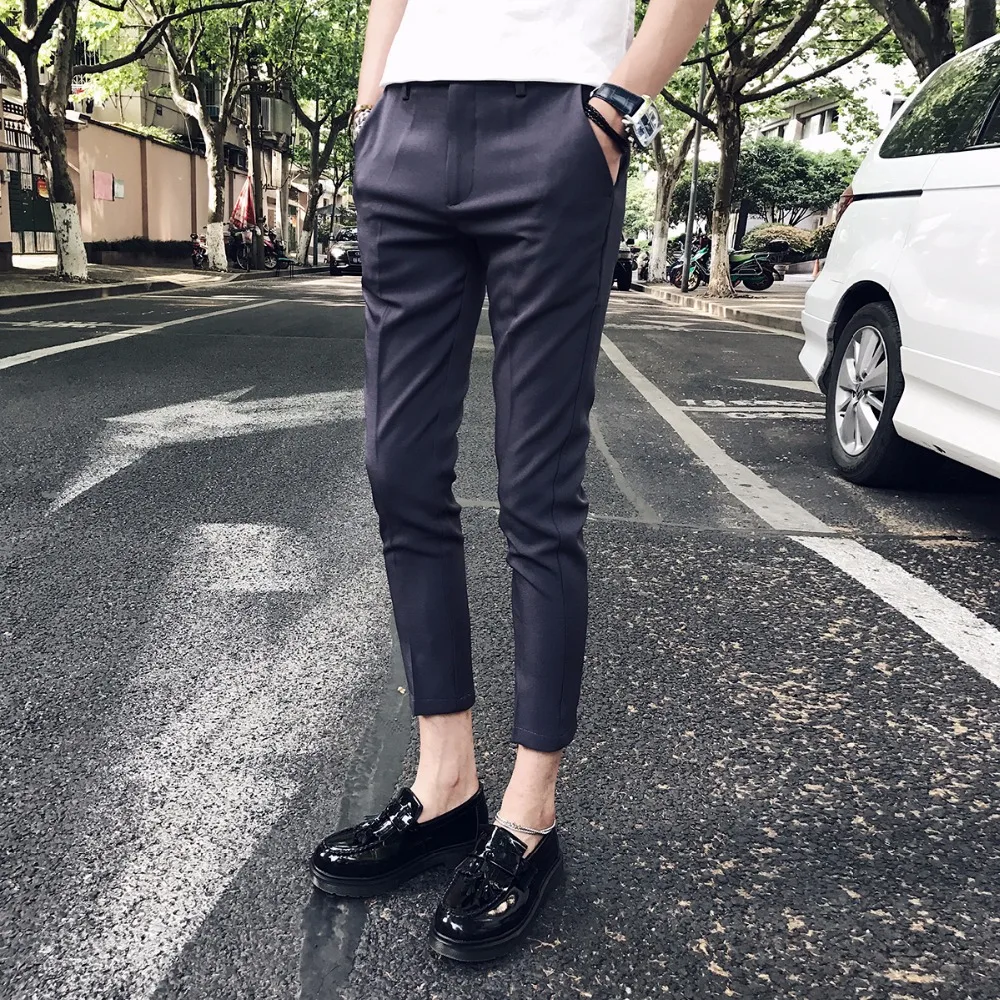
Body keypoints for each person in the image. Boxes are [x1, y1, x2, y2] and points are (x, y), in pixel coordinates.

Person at [311, 0, 717, 963]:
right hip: (406, 125)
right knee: (398, 467)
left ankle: (531, 814)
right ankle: (445, 787)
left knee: (537, 486)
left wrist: (618, 106)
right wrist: (372, 104)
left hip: (559, 121)